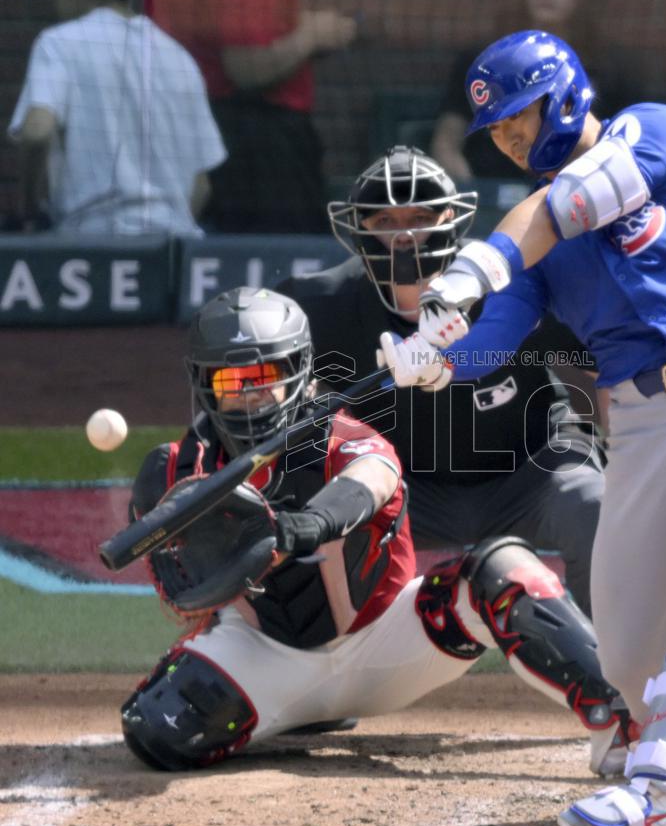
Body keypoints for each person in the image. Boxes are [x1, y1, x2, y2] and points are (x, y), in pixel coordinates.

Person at [379, 30, 666, 826]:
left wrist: (474, 266)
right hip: (646, 424)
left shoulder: (654, 131)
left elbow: (560, 207)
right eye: (498, 131)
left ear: (566, 90)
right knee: (624, 661)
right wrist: (435, 362)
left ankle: (664, 798)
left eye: (519, 116)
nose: (511, 138)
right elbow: (494, 341)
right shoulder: (535, 250)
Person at [120, 286, 633, 777]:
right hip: (263, 653)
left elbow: (372, 479)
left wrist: (305, 526)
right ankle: (296, 712)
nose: (252, 395)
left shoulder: (349, 437)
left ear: (300, 371)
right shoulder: (176, 474)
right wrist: (206, 553)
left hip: (385, 644)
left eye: (267, 375)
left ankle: (621, 717)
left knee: (502, 569)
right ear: (204, 385)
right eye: (232, 383)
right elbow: (181, 593)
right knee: (154, 731)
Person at [276, 145, 607, 622]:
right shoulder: (322, 304)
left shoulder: (518, 287)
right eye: (384, 220)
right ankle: (330, 665)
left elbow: (608, 365)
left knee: (593, 505)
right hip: (402, 486)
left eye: (421, 215)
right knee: (308, 512)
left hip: (533, 469)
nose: (405, 234)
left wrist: (640, 456)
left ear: (452, 218)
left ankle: (623, 673)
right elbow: (266, 396)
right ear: (357, 228)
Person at [7, 0, 226, 236]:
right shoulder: (178, 57)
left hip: (90, 245)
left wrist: (28, 213)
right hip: (173, 252)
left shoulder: (59, 44)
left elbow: (37, 131)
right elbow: (201, 185)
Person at [144, 0, 356, 233]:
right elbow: (248, 67)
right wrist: (316, 35)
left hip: (186, 127)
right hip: (260, 148)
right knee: (279, 272)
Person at [429, 0, 645, 186]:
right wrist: (469, 189)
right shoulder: (484, 62)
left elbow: (628, 148)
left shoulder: (614, 70)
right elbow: (446, 140)